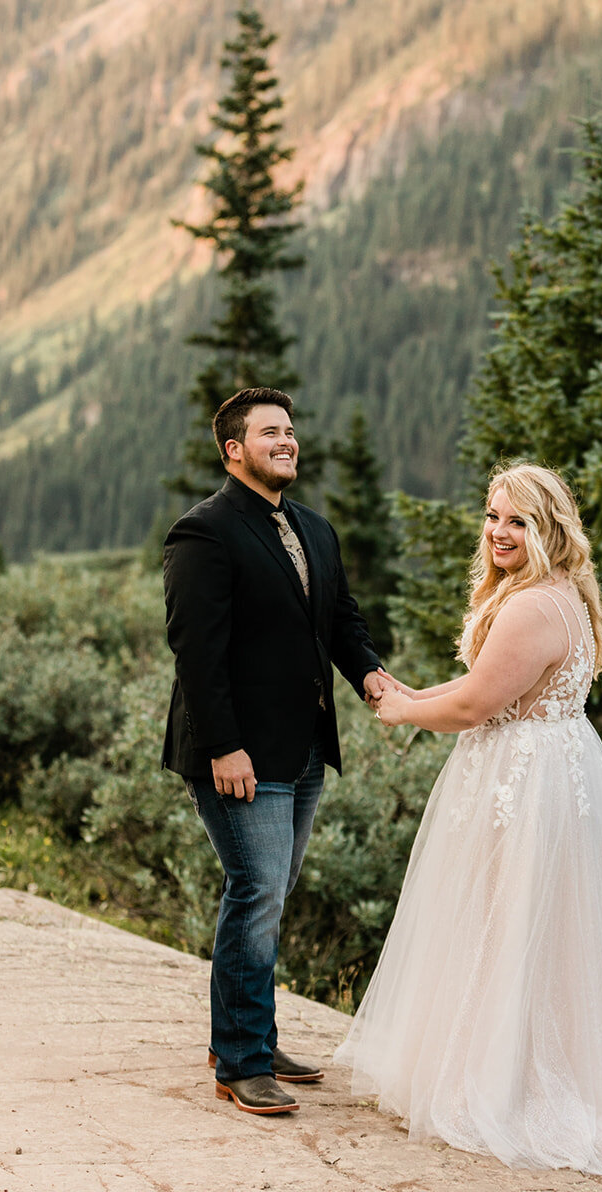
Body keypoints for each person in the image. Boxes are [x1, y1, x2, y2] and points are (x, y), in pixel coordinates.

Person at [337, 463, 602, 1191]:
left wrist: (400, 709)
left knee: (507, 921)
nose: (498, 532)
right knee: (515, 924)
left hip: (522, 779)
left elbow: (476, 706)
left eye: (517, 521)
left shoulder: (531, 607)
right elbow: (491, 688)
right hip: (541, 767)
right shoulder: (553, 594)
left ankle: (503, 1085)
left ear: (549, 529)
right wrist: (418, 690)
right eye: (491, 515)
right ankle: (502, 1065)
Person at [162, 386, 392, 1117]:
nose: (286, 441)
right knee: (256, 892)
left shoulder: (315, 530)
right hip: (240, 759)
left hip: (302, 752)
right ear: (234, 450)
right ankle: (240, 1061)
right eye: (269, 432)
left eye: (290, 430)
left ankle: (246, 1034)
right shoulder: (203, 533)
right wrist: (224, 747)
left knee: (269, 894)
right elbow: (196, 654)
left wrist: (370, 676)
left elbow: (341, 623)